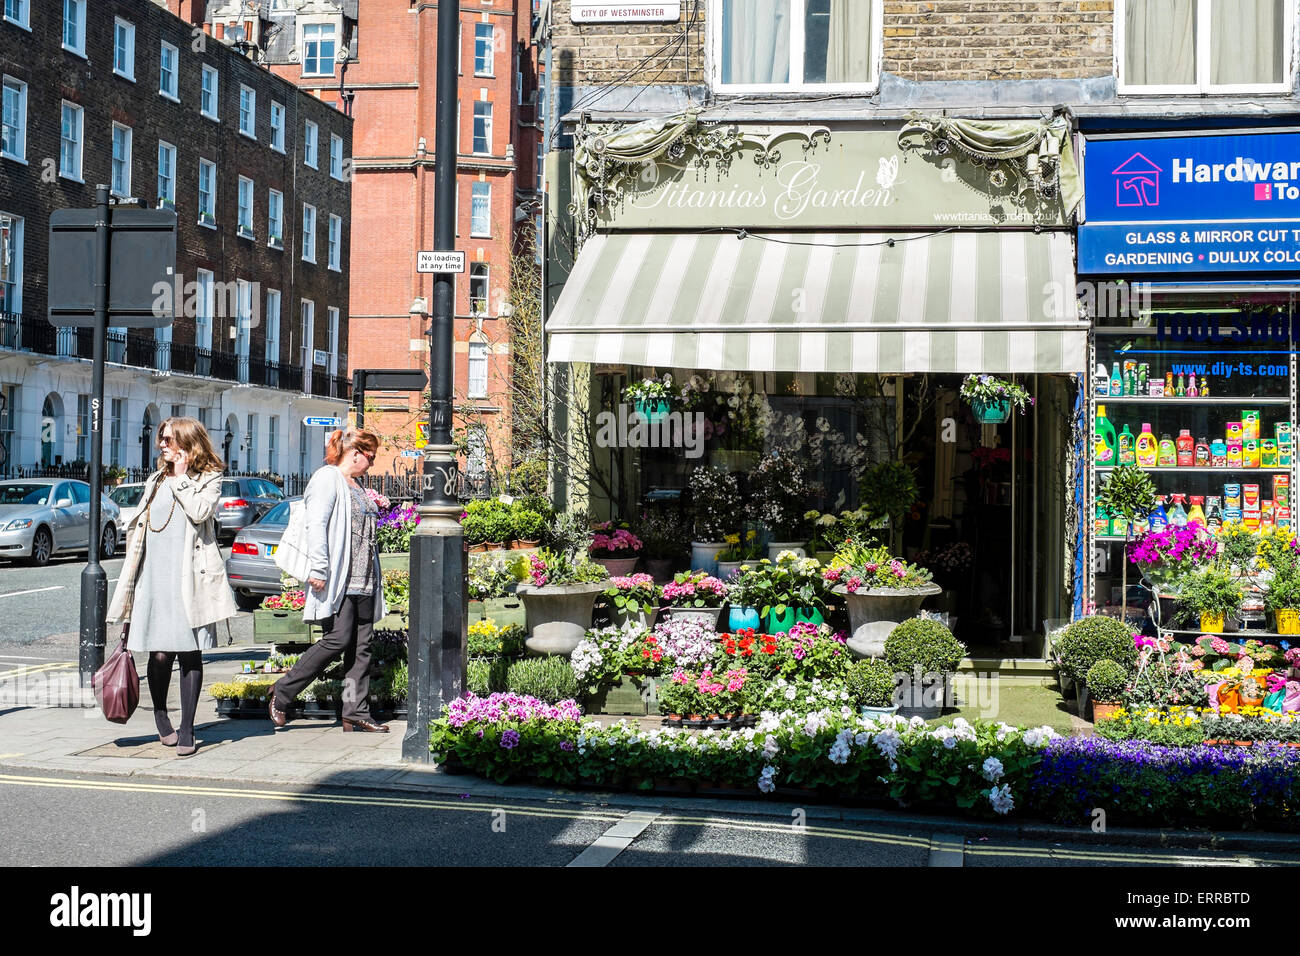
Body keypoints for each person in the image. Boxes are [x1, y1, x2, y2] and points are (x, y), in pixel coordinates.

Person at [107, 417, 239, 757]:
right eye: (161, 439)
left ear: (186, 442)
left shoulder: (208, 478)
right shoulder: (155, 479)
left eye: (168, 439)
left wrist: (181, 479)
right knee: (159, 652)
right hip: (153, 575)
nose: (161, 444)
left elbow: (199, 512)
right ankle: (162, 716)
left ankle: (188, 728)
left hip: (188, 577)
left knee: (189, 651)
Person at [269, 426, 389, 732]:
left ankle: (355, 712)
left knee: (361, 649)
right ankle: (282, 693)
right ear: (355, 453)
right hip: (340, 579)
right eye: (370, 456)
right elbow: (316, 526)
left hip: (365, 579)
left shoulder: (357, 485)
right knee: (337, 640)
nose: (372, 463)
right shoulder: (327, 478)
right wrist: (319, 570)